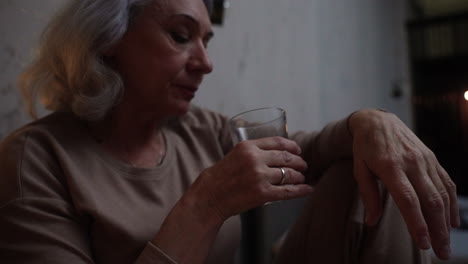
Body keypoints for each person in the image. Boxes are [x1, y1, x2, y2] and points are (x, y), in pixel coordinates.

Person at [0, 0, 460, 263]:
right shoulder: (36, 160)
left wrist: (373, 121)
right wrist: (205, 204)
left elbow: (311, 151)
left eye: (206, 40)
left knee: (370, 166)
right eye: (181, 36)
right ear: (108, 40)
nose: (206, 63)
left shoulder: (201, 128)